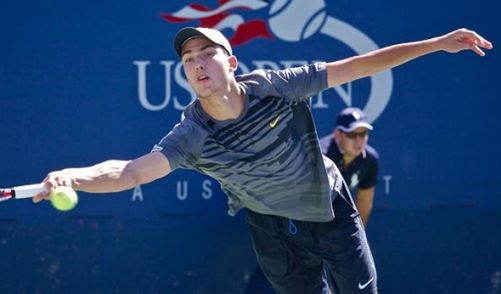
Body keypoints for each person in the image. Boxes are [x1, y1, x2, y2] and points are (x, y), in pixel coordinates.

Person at [32, 27, 492, 294]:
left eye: (207, 53)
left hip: (328, 208)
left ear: (230, 63)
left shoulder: (278, 87)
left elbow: (361, 65)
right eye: (188, 58)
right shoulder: (191, 134)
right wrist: (71, 175)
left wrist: (435, 44)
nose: (197, 62)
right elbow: (130, 172)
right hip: (272, 226)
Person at [320, 107, 378, 227]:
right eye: (352, 134)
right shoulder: (321, 158)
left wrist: (357, 237)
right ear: (338, 134)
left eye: (363, 134)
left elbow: (364, 201)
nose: (359, 141)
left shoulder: (370, 160)